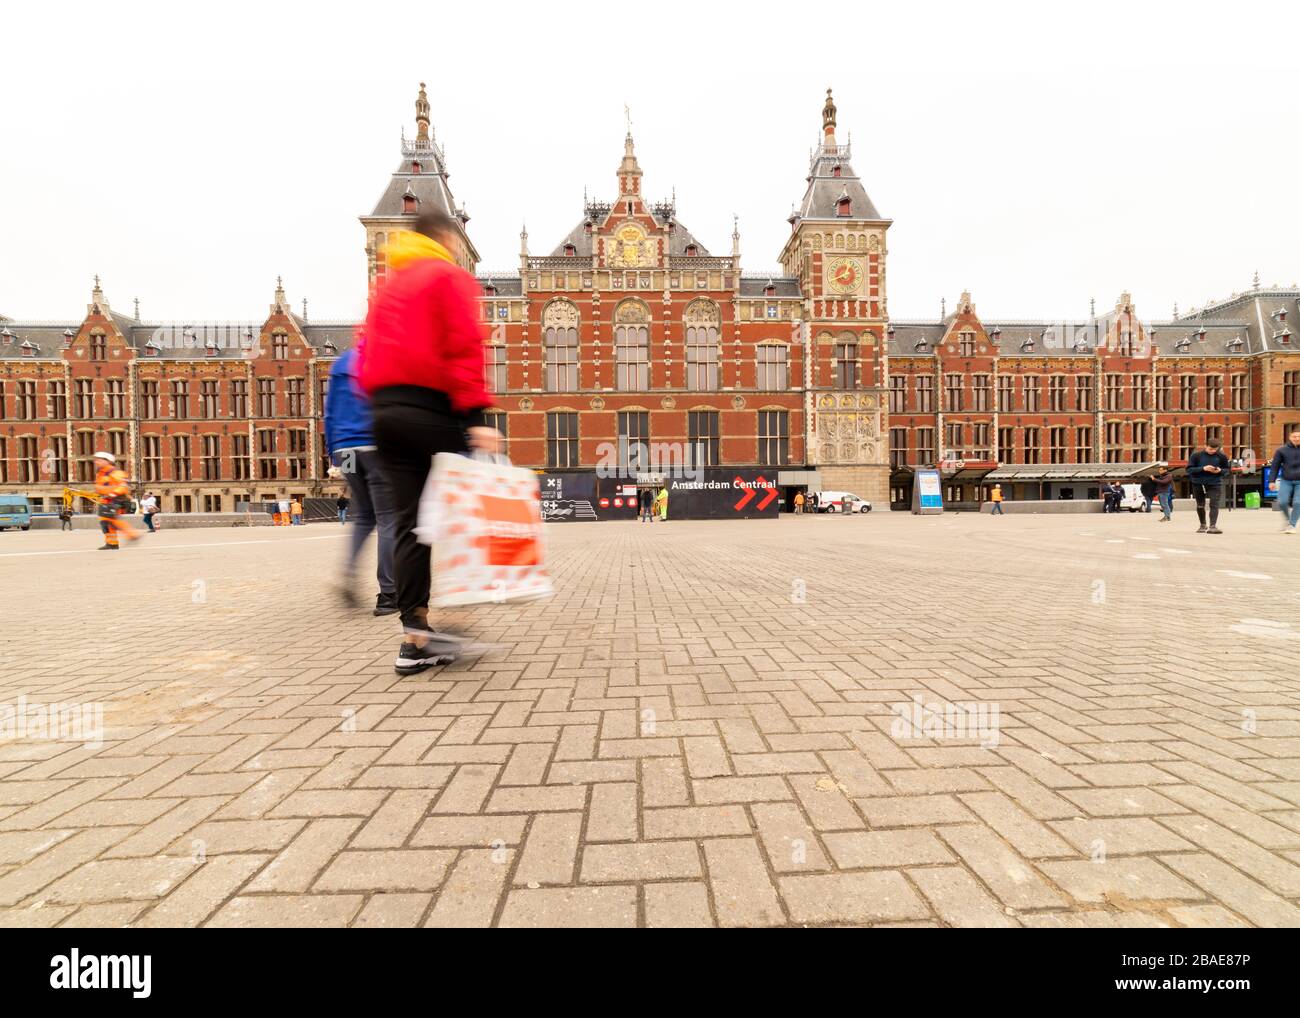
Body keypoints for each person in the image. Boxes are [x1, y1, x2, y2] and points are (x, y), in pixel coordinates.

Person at [359, 209, 501, 675]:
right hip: (431, 411)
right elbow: (464, 345)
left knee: (409, 527)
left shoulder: (387, 288)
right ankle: (455, 619)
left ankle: (414, 639)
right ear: (446, 238)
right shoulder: (448, 277)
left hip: (384, 415)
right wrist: (477, 417)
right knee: (461, 514)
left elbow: (365, 359)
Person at [326, 344, 398, 615]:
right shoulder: (384, 358)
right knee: (387, 517)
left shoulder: (342, 362)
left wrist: (333, 453)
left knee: (364, 515)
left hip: (345, 450)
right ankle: (388, 594)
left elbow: (329, 413)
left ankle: (349, 571)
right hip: (374, 446)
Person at [92, 451, 139, 550]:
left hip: (114, 500)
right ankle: (112, 543)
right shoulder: (101, 473)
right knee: (105, 523)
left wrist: (112, 494)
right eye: (96, 460)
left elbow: (123, 486)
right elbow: (101, 488)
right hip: (105, 500)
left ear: (107, 461)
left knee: (112, 520)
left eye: (99, 460)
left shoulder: (115, 473)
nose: (96, 462)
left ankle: (132, 534)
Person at [1187, 437, 1231, 534]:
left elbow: (1227, 470)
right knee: (1200, 505)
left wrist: (1220, 470)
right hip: (1198, 483)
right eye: (1210, 449)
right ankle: (1203, 525)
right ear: (1205, 446)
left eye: (1215, 450)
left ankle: (1212, 526)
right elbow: (1189, 470)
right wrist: (1203, 468)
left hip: (1215, 483)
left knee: (1214, 505)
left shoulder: (1221, 456)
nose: (1213, 451)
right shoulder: (1196, 456)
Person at [1267, 427, 1300, 534]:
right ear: (1290, 437)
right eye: (1294, 436)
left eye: (1299, 437)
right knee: (1282, 502)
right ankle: (1288, 520)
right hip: (1286, 480)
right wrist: (1271, 481)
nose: (1297, 438)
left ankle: (1292, 525)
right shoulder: (1282, 450)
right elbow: (1275, 466)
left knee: (1297, 502)